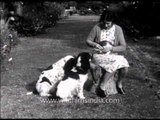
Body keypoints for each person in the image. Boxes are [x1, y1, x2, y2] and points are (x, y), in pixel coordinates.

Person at [86, 9, 129, 97]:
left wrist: (111, 48)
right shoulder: (97, 27)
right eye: (104, 23)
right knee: (118, 62)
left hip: (113, 55)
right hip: (99, 55)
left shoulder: (118, 29)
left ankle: (119, 84)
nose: (105, 25)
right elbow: (88, 40)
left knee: (125, 66)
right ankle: (102, 86)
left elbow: (123, 46)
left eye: (108, 23)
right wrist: (95, 44)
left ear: (113, 22)